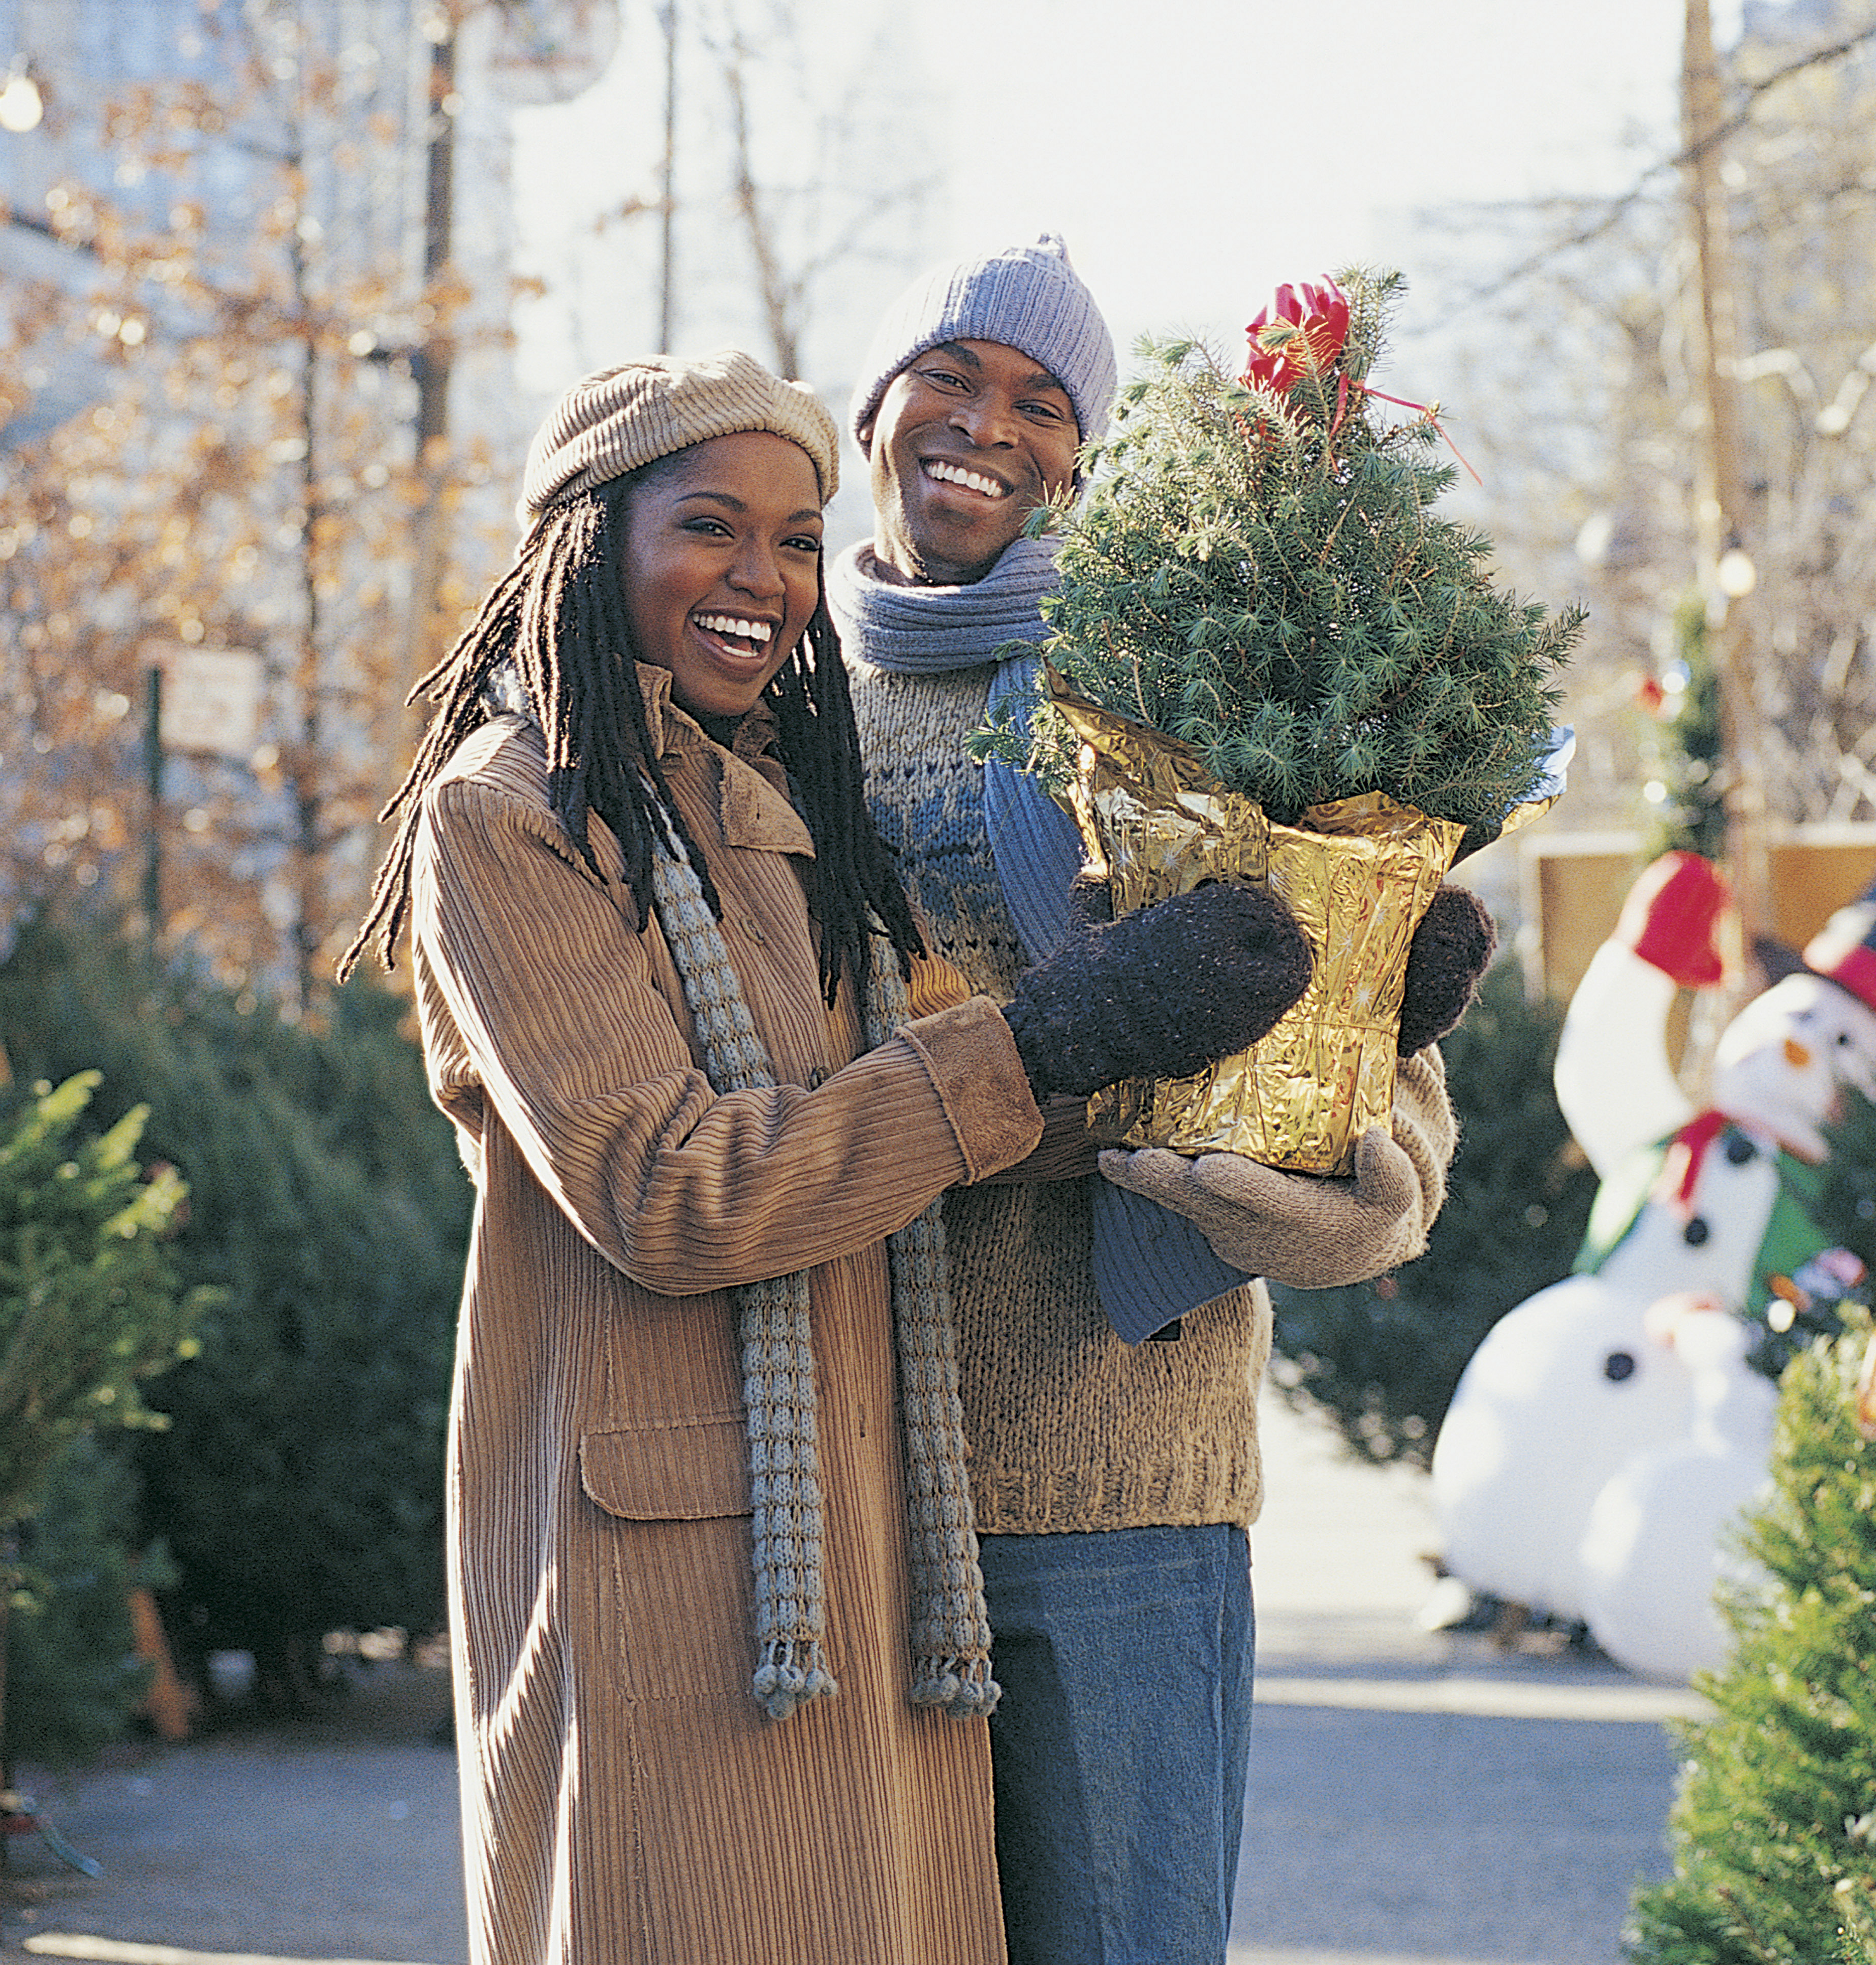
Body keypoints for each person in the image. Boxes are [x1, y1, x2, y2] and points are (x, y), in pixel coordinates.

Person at [341, 346, 1312, 1965]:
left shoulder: (778, 807)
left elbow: (913, 1118)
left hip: (854, 1546)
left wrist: (1246, 1013)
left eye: (797, 539)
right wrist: (1046, 1038)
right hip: (670, 1575)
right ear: (591, 540)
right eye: (711, 526)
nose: (767, 578)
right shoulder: (508, 816)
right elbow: (673, 1184)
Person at [826, 239, 1482, 1965]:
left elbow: (1387, 1126)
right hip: (827, 1464)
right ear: (875, 409)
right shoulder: (775, 684)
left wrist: (1330, 1160)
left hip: (1114, 1471)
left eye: (1040, 405)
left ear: (1083, 457)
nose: (985, 428)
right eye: (949, 381)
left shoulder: (1173, 685)